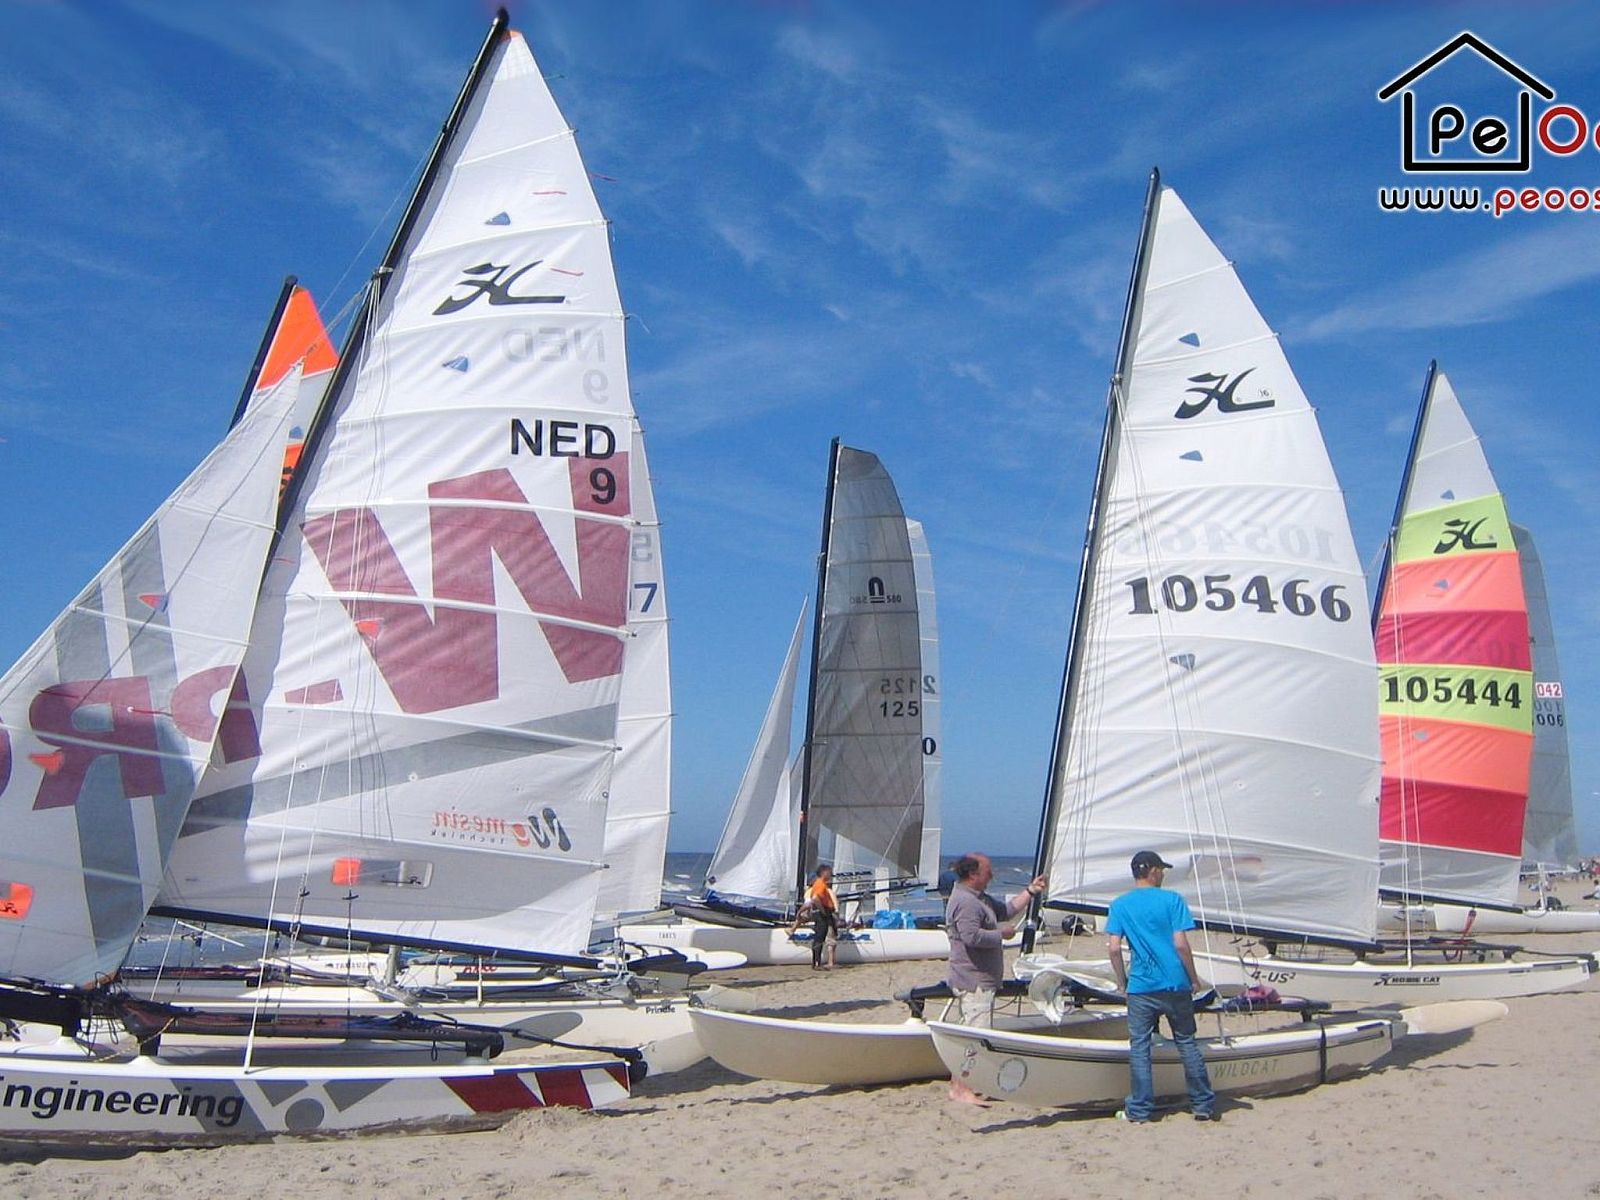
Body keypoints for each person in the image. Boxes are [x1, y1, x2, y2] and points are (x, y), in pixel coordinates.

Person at [1105, 850, 1216, 1123]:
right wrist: (1193, 978)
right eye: (1161, 870)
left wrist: (1121, 982)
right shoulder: (1173, 900)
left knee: (1140, 1048)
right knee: (1186, 1042)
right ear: (1152, 871)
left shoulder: (1120, 904)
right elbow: (1180, 944)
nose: (1163, 874)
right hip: (1175, 983)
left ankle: (1140, 1109)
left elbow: (1113, 949)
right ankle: (1202, 1104)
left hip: (1141, 986)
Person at [944, 852, 1049, 1104]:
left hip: (980, 978)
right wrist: (1001, 935)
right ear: (973, 874)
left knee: (971, 1030)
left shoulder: (979, 898)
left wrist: (1031, 890)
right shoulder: (966, 901)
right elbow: (971, 937)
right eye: (987, 870)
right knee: (978, 1035)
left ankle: (960, 1084)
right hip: (973, 979)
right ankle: (961, 1087)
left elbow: (1006, 910)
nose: (992, 874)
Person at [788, 864, 839, 970]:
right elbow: (815, 899)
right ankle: (816, 963)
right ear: (824, 873)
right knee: (819, 938)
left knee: (821, 936)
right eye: (829, 872)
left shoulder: (820, 884)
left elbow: (812, 901)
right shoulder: (820, 884)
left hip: (823, 912)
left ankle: (818, 963)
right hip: (821, 913)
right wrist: (823, 911)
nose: (831, 874)